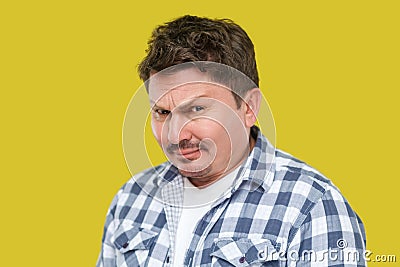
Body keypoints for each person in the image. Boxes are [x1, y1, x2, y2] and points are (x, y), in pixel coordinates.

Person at [97, 15, 366, 266]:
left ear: (248, 107)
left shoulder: (313, 207)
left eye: (197, 109)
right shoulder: (130, 200)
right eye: (162, 112)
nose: (176, 135)